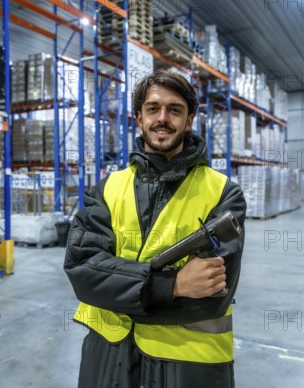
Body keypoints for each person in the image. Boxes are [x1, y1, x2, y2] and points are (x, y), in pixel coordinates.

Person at [64, 69, 246, 388]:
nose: (162, 118)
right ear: (139, 118)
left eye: (174, 109)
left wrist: (119, 291)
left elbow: (213, 290)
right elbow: (82, 270)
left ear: (189, 120)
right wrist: (171, 285)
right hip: (108, 361)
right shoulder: (107, 189)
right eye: (153, 108)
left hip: (187, 367)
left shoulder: (223, 193)